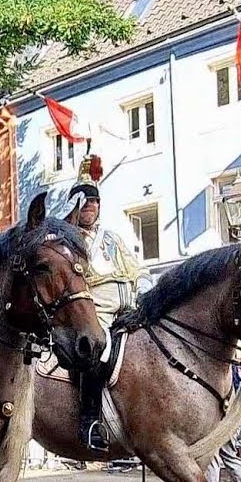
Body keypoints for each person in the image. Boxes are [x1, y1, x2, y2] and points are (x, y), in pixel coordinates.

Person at [62, 159, 142, 451]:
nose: (90, 207)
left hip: (130, 308)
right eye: (85, 203)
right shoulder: (68, 240)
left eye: (94, 202)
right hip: (95, 311)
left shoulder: (112, 238)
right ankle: (90, 421)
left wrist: (143, 285)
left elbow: (136, 267)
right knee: (98, 350)